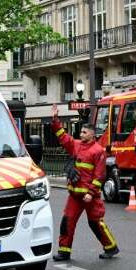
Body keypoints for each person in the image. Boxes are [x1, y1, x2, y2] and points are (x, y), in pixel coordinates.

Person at [51, 105, 119, 261]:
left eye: (84, 132)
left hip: (90, 197)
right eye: (80, 132)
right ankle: (64, 251)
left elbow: (99, 175)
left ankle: (111, 247)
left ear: (92, 134)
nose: (81, 134)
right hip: (75, 195)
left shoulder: (98, 151)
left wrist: (91, 193)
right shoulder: (75, 145)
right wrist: (55, 119)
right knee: (67, 221)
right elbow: (62, 136)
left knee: (95, 223)